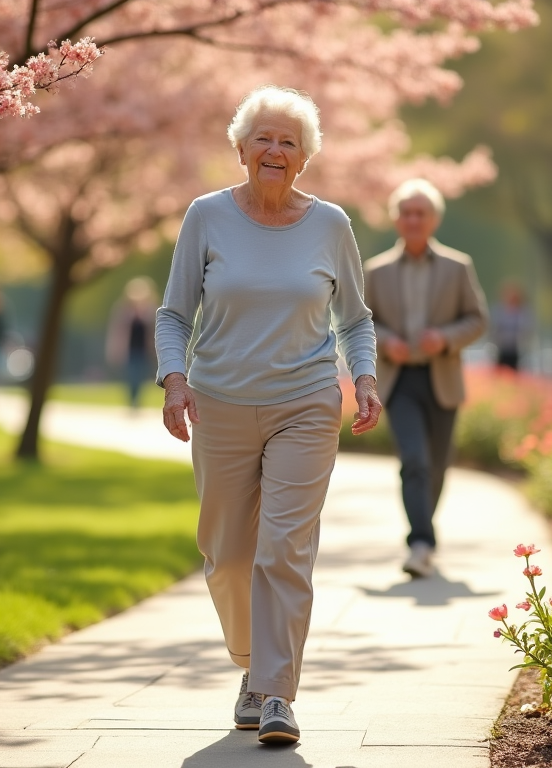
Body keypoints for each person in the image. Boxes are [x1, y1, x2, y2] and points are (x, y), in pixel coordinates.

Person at [155, 85, 381, 746]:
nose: (275, 150)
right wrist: (175, 382)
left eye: (288, 141)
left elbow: (356, 319)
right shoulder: (206, 217)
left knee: (283, 549)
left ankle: (276, 693)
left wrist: (363, 378)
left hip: (306, 404)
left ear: (305, 156)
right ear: (241, 148)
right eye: (264, 138)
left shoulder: (331, 225)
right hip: (220, 402)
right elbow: (174, 313)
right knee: (227, 557)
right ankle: (253, 667)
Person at [363, 179, 488, 579]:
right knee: (413, 460)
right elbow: (361, 322)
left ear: (433, 219)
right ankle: (421, 543)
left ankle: (423, 535)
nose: (413, 219)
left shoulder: (458, 266)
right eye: (406, 212)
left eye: (421, 213)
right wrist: (387, 341)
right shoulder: (376, 271)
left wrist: (446, 339)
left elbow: (478, 319)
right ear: (396, 219)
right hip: (398, 382)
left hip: (442, 378)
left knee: (436, 466)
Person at [106, 277, 157, 408]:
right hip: (129, 351)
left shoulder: (150, 311)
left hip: (144, 351)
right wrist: (115, 350)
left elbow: (153, 331)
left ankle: (136, 401)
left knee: (141, 376)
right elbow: (117, 333)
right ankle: (132, 401)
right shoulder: (123, 311)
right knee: (132, 376)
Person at [490, 280, 532, 370]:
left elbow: (526, 330)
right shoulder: (499, 310)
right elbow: (494, 328)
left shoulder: (522, 312)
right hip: (501, 348)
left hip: (516, 349)